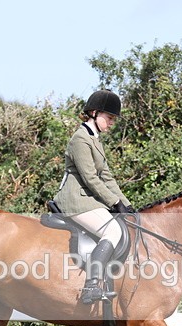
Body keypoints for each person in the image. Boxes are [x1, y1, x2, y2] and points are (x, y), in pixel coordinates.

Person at [52, 89, 135, 304]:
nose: (111, 123)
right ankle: (91, 286)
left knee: (122, 223)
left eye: (113, 119)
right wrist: (113, 202)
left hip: (88, 198)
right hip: (75, 199)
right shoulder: (80, 140)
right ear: (94, 113)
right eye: (109, 118)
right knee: (112, 229)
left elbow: (107, 177)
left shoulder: (95, 140)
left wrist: (126, 205)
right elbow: (90, 178)